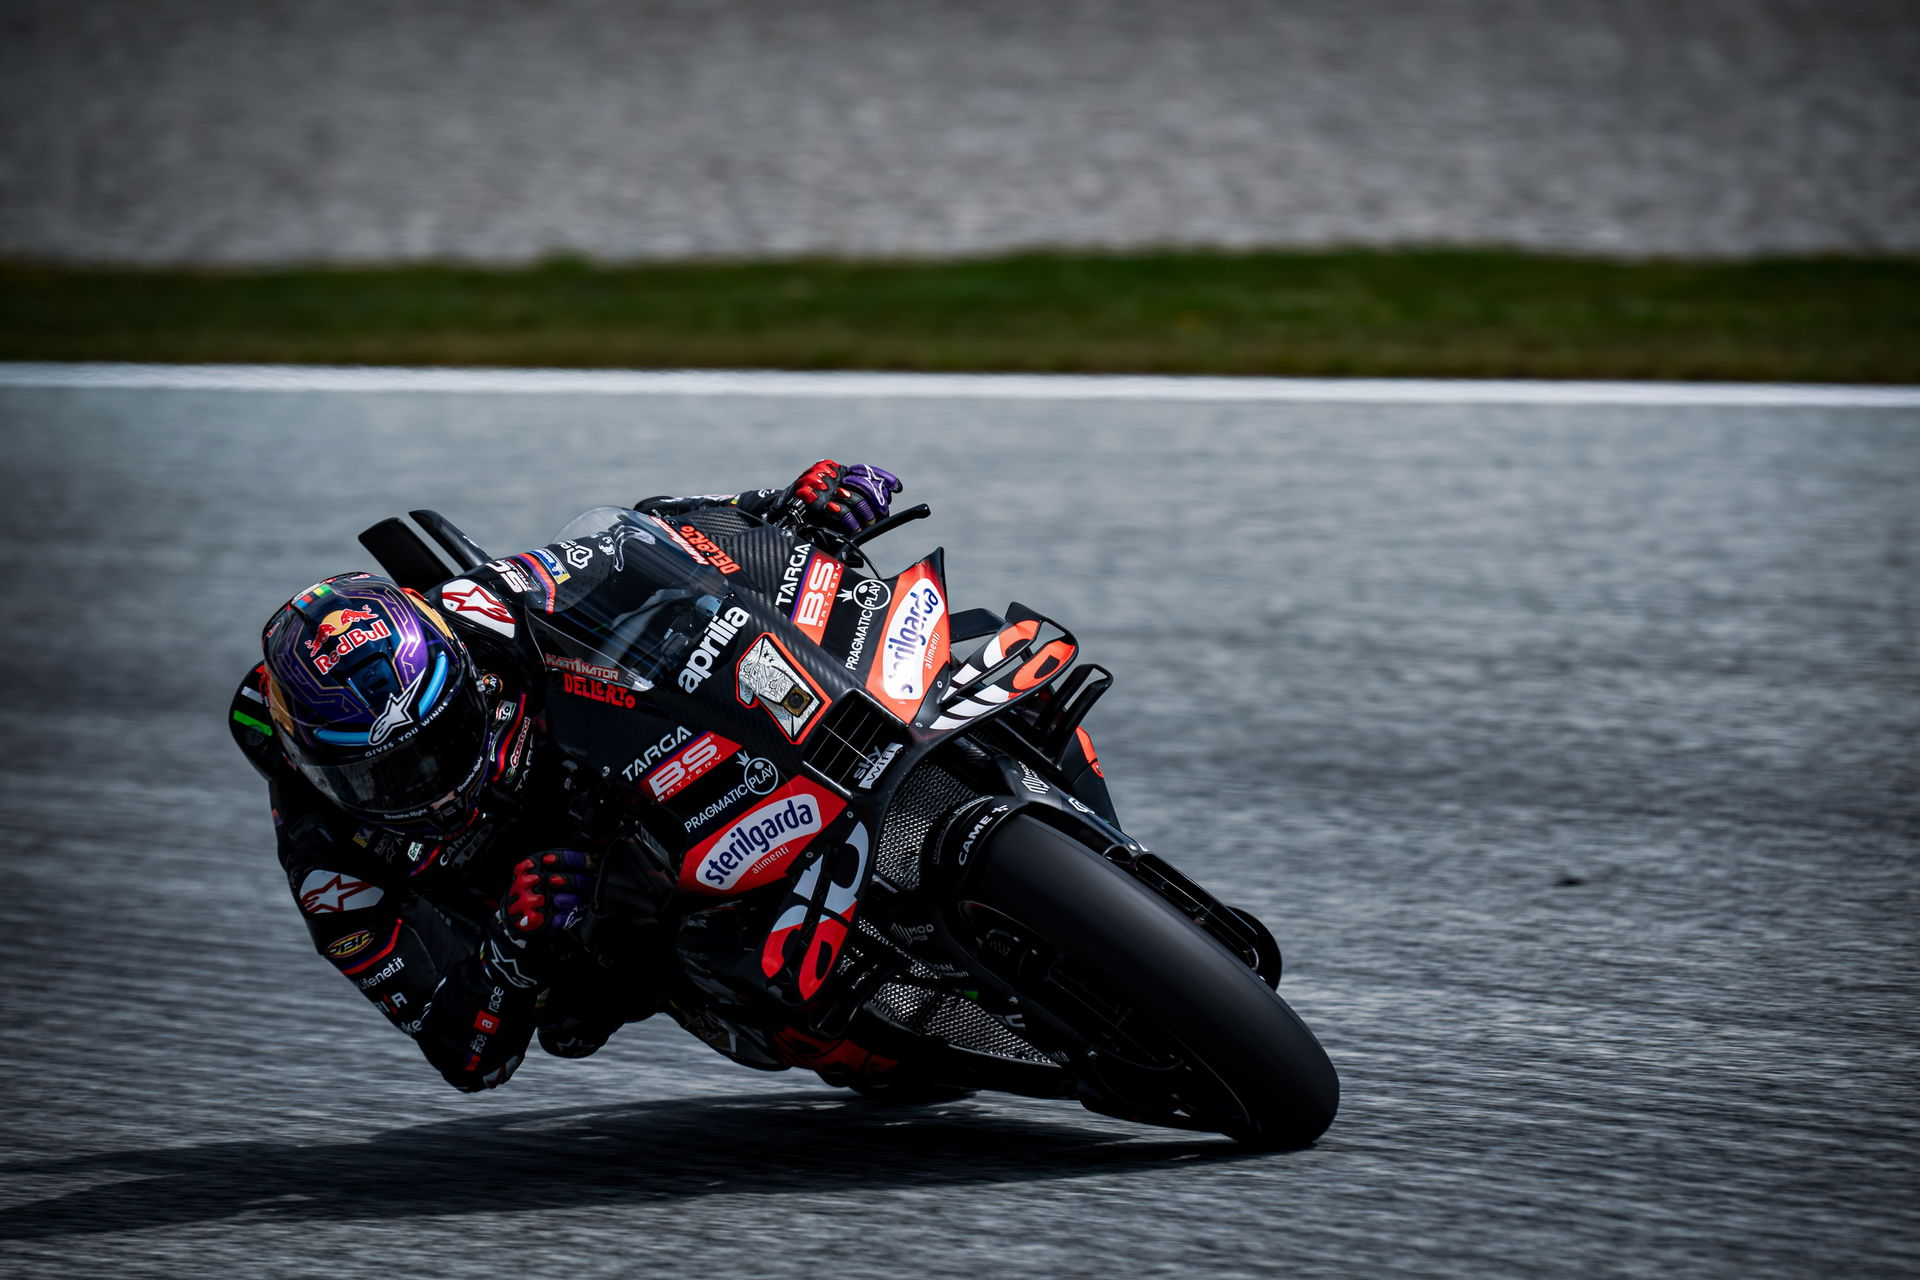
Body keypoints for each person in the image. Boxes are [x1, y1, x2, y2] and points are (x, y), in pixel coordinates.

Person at [228, 460, 906, 1092]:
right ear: (314, 770)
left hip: (644, 770)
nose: (432, 785)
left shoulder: (475, 609)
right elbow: (466, 1059)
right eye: (388, 776)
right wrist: (508, 952)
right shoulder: (328, 865)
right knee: (795, 1034)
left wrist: (779, 507)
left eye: (442, 741)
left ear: (458, 670)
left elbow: (644, 541)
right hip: (590, 926)